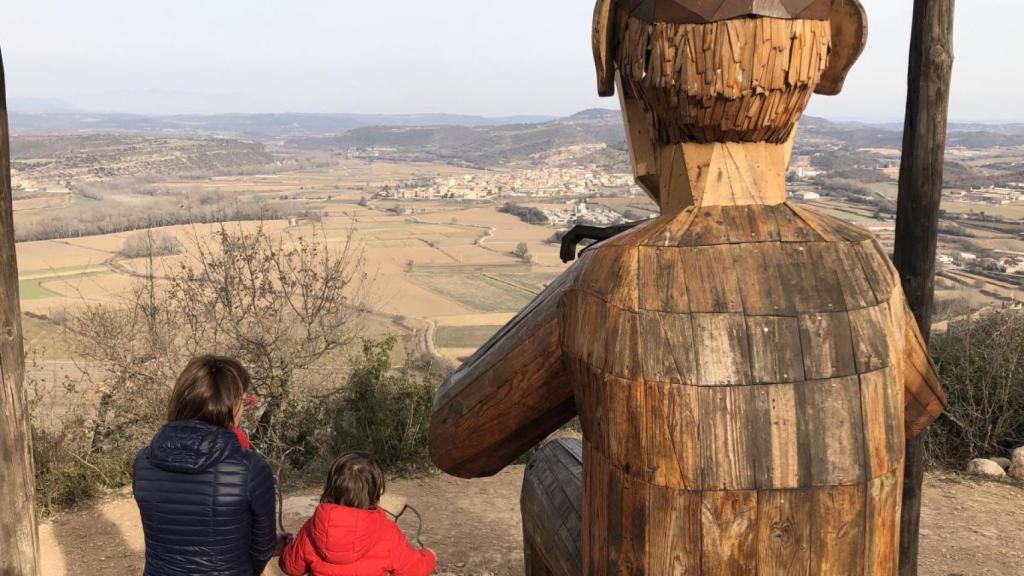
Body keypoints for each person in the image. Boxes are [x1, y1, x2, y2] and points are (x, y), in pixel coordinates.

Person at [134, 356, 284, 576]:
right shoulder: (251, 469)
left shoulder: (143, 463)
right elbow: (262, 546)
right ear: (232, 404)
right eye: (244, 400)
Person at [279, 452, 436, 576]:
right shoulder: (387, 532)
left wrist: (286, 547)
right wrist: (429, 557)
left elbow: (291, 567)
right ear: (376, 492)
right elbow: (413, 570)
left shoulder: (312, 529)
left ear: (330, 487)